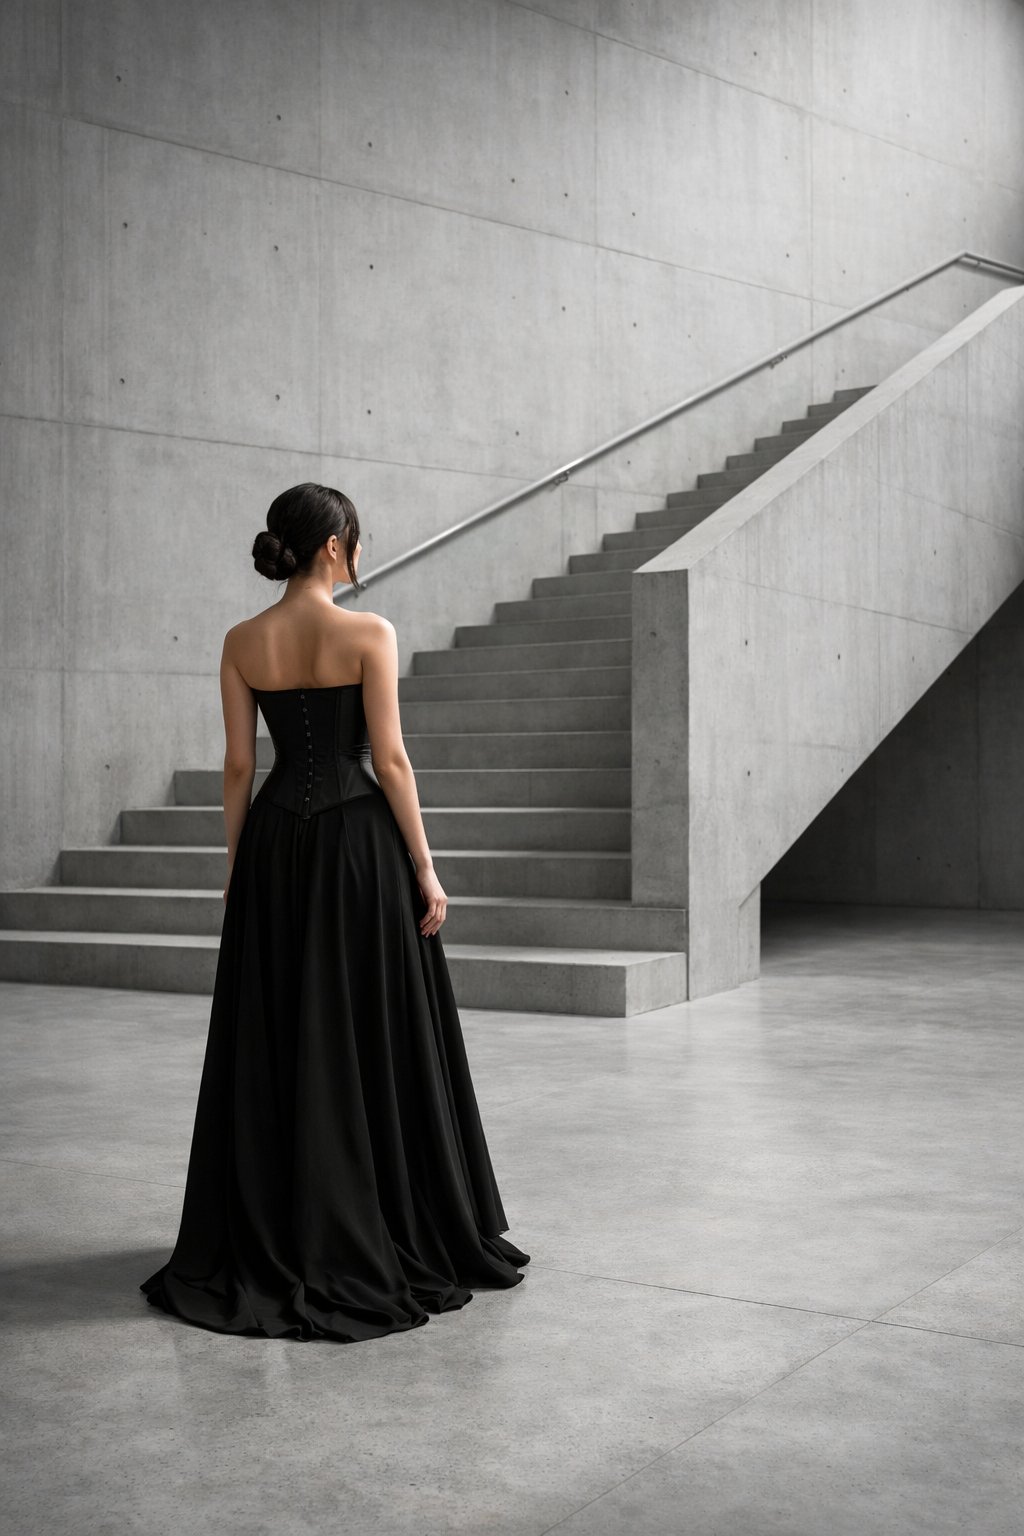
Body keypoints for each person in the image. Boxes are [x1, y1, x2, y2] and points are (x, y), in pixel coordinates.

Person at [140, 483, 530, 1342]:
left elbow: (239, 768)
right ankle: (379, 1217)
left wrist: (243, 867)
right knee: (368, 1029)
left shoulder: (243, 640)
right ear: (333, 546)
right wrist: (426, 869)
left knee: (282, 1033)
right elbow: (388, 758)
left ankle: (282, 1223)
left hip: (277, 843)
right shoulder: (369, 632)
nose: (358, 555)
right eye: (354, 540)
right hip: (359, 849)